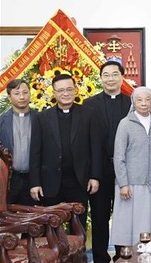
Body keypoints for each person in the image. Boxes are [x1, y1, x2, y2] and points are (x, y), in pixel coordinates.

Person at [29, 73, 101, 230]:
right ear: (54, 93)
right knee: (53, 228)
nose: (65, 93)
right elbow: (35, 152)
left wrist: (94, 176)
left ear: (75, 90)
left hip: (79, 181)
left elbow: (95, 148)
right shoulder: (42, 118)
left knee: (79, 227)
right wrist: (35, 183)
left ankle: (79, 255)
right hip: (51, 182)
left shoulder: (89, 114)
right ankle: (57, 255)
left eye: (69, 89)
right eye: (61, 90)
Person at [84, 61, 131, 263]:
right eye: (106, 75)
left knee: (123, 216)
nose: (110, 78)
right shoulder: (89, 105)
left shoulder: (131, 103)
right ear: (101, 78)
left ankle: (124, 255)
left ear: (122, 77)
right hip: (99, 170)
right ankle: (100, 258)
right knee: (99, 217)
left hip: (125, 171)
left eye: (114, 74)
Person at [109, 87, 151, 247]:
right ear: (134, 102)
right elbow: (119, 156)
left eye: (148, 99)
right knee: (129, 228)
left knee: (149, 226)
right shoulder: (125, 123)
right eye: (140, 100)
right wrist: (123, 183)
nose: (144, 103)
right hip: (130, 186)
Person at [0, 79, 36, 205]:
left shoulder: (41, 119)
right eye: (17, 93)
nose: (22, 97)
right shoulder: (1, 121)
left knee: (33, 220)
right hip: (9, 179)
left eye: (25, 92)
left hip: (34, 180)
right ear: (9, 96)